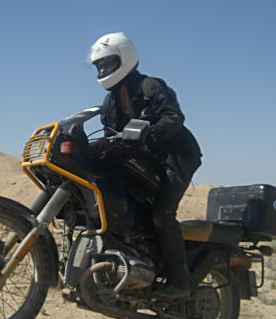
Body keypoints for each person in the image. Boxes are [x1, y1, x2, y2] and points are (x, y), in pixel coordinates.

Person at [87, 32, 202, 299]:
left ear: (125, 59)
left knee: (162, 214)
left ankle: (180, 282)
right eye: (99, 66)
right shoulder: (110, 101)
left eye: (107, 63)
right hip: (145, 161)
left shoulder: (151, 86)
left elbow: (174, 118)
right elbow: (111, 133)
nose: (102, 70)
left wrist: (148, 132)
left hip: (176, 159)